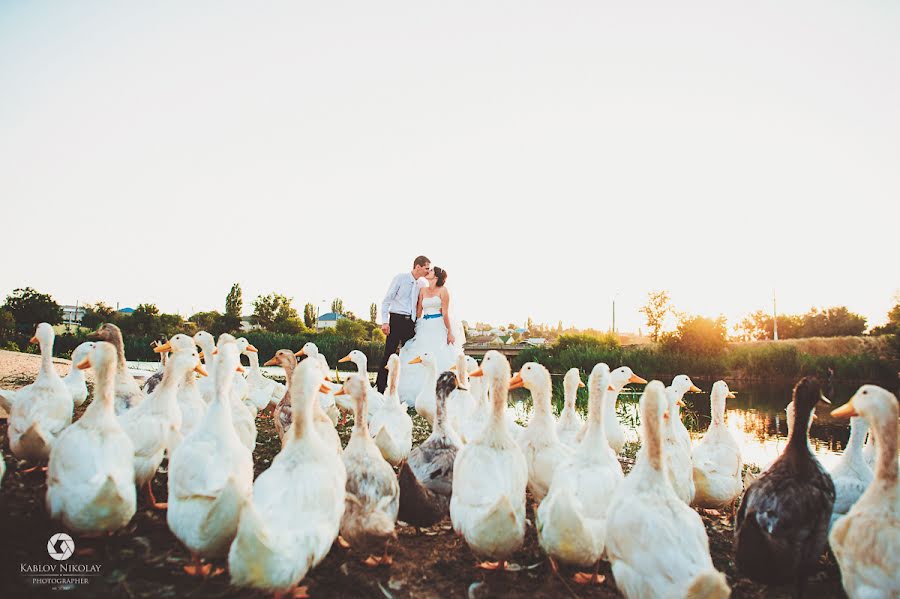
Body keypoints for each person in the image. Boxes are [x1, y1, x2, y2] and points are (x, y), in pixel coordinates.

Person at [397, 266, 465, 407]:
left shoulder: (443, 291)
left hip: (438, 326)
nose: (428, 272)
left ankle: (443, 392)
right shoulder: (422, 290)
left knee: (439, 356)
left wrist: (449, 332)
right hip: (424, 326)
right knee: (420, 356)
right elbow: (418, 311)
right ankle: (416, 395)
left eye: (432, 270)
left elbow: (445, 313)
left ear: (437, 276)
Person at [376, 255, 432, 393]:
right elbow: (386, 300)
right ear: (417, 266)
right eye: (426, 268)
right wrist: (385, 322)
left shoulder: (422, 284)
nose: (428, 271)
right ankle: (380, 389)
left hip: (411, 323)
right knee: (389, 354)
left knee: (410, 354)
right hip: (396, 320)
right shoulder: (400, 278)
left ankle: (404, 389)